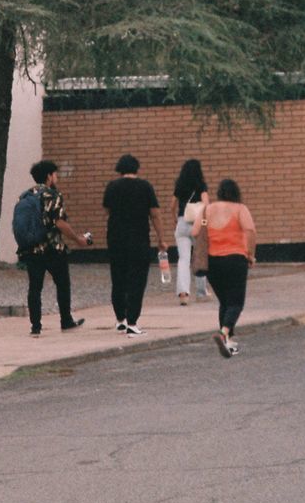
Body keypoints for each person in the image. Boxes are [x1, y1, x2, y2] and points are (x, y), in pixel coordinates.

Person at [20, 160, 91, 337]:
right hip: (52, 248)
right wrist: (77, 239)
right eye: (55, 174)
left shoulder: (25, 196)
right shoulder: (53, 195)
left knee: (34, 287)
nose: (56, 177)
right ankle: (66, 320)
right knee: (62, 284)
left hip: (31, 249)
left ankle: (35, 326)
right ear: (49, 176)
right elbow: (60, 223)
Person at [102, 153, 167, 336]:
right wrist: (161, 238)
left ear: (119, 169)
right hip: (139, 239)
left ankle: (120, 319)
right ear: (136, 168)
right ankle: (132, 321)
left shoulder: (112, 187)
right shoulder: (145, 187)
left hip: (115, 239)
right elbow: (154, 214)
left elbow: (106, 209)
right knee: (137, 280)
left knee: (118, 278)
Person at [193, 178, 256, 358]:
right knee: (236, 302)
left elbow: (195, 232)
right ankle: (224, 333)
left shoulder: (207, 209)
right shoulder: (240, 209)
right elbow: (250, 230)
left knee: (225, 302)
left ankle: (227, 342)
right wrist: (250, 254)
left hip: (212, 262)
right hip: (235, 259)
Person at [170, 158, 210, 305]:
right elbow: (206, 204)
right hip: (197, 225)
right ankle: (201, 292)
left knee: (183, 259)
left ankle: (183, 293)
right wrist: (204, 221)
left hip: (182, 223)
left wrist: (174, 219)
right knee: (199, 257)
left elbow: (172, 205)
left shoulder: (180, 185)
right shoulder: (201, 185)